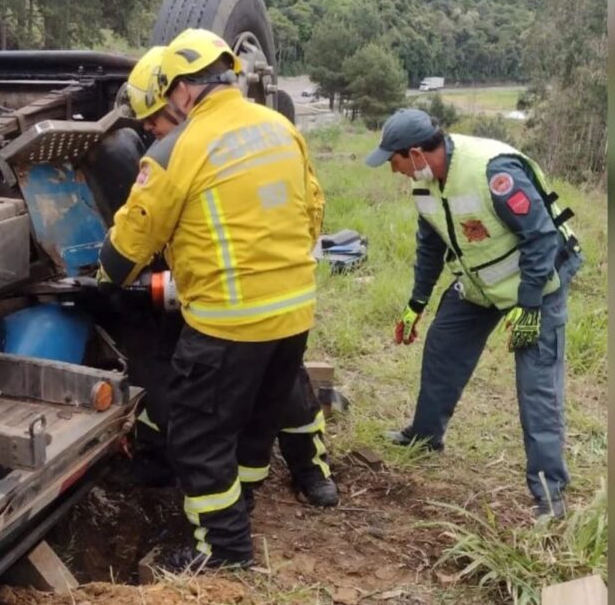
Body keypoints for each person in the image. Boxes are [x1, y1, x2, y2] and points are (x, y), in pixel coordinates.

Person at [100, 29, 324, 570]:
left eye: (158, 110)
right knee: (255, 426)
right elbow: (313, 211)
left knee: (198, 437)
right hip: (294, 312)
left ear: (181, 91)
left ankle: (223, 550)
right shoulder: (279, 128)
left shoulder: (177, 149)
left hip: (229, 323)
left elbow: (128, 248)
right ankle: (240, 506)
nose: (155, 125)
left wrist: (107, 276)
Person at [363, 108, 584, 519]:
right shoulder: (425, 185)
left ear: (415, 153)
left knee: (536, 385)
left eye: (394, 161)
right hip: (479, 284)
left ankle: (549, 494)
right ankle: (425, 436)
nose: (394, 171)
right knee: (442, 347)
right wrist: (416, 303)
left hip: (538, 284)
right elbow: (431, 245)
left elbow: (541, 237)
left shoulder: (493, 172)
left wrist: (529, 306)